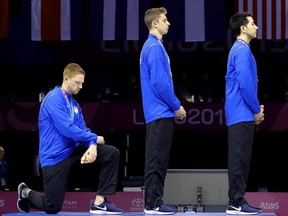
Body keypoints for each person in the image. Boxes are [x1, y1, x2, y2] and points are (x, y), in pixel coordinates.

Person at [17, 63, 123, 214]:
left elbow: (82, 129)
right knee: (52, 207)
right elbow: (66, 128)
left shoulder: (74, 104)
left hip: (73, 152)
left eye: (82, 83)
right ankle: (25, 192)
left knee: (111, 153)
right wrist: (94, 138)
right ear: (66, 79)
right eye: (77, 83)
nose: (80, 87)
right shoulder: (53, 99)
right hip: (54, 157)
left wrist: (92, 144)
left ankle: (99, 202)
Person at [139, 7, 187, 215]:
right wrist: (177, 106)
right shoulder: (154, 48)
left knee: (156, 158)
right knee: (157, 159)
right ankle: (153, 204)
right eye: (165, 20)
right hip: (160, 111)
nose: (169, 23)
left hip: (157, 112)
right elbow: (160, 83)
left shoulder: (153, 47)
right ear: (155, 23)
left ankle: (153, 202)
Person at [224, 12, 264, 215]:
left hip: (242, 113)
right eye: (253, 23)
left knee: (242, 160)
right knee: (239, 160)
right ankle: (235, 203)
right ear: (243, 28)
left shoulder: (242, 50)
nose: (256, 27)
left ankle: (237, 201)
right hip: (241, 113)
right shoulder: (240, 50)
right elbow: (246, 84)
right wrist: (256, 109)